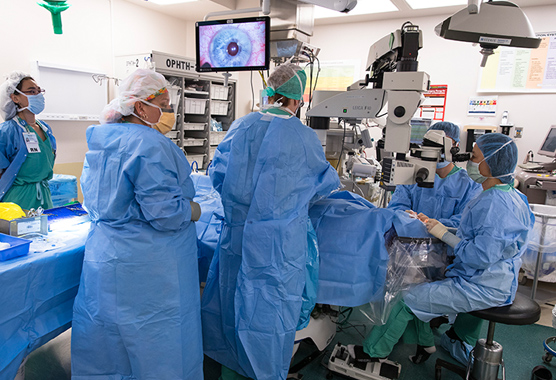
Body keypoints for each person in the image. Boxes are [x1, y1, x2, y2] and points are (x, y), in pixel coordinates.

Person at [201, 63, 341, 380]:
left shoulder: (241, 126)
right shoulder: (303, 138)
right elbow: (321, 185)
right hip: (278, 247)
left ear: (271, 92)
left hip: (236, 239)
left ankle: (229, 372)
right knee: (268, 316)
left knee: (230, 307)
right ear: (298, 98)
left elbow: (217, 176)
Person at [350, 133, 534, 366]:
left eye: (475, 156)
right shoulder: (510, 195)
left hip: (482, 284)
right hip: (487, 276)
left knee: (407, 298)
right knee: (418, 284)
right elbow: (480, 236)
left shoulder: (493, 204)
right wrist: (440, 227)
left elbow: (480, 256)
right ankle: (426, 342)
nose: (470, 161)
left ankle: (373, 352)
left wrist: (445, 235)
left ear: (490, 162)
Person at [71, 69, 203, 380]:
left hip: (105, 258)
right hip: (150, 271)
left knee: (107, 346)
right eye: (164, 103)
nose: (169, 111)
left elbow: (95, 200)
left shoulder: (101, 141)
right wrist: (193, 210)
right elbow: (166, 214)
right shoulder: (152, 145)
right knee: (157, 349)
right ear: (140, 107)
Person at [388, 121, 482, 228]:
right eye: (431, 145)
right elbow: (396, 208)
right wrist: (406, 215)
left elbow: (465, 221)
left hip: (448, 242)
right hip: (410, 239)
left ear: (456, 146)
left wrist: (434, 225)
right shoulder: (411, 175)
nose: (436, 151)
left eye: (441, 146)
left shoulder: (469, 184)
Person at [0, 72, 56, 210]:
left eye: (39, 91)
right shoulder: (8, 131)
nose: (37, 95)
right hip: (18, 201)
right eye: (31, 91)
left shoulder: (45, 128)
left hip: (44, 196)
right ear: (15, 97)